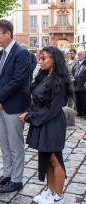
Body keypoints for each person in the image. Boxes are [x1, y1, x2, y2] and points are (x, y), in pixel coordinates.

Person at [18, 46, 73, 204]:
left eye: (43, 58)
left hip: (52, 122)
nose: (40, 61)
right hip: (43, 122)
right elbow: (36, 101)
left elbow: (52, 109)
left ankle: (59, 196)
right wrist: (30, 113)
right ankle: (50, 190)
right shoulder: (43, 77)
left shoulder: (59, 81)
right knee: (46, 159)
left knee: (55, 159)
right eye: (40, 58)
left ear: (54, 61)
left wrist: (30, 116)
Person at [0, 19, 31, 193]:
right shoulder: (1, 54)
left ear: (8, 34)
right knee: (4, 142)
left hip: (13, 106)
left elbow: (18, 81)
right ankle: (7, 174)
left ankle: (17, 179)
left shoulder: (21, 53)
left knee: (15, 144)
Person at [71, 50, 86, 118]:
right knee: (77, 99)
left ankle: (85, 112)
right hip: (76, 84)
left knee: (83, 99)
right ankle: (79, 112)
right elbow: (71, 72)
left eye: (80, 55)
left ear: (83, 55)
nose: (78, 56)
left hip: (83, 84)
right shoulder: (76, 64)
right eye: (78, 55)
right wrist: (72, 78)